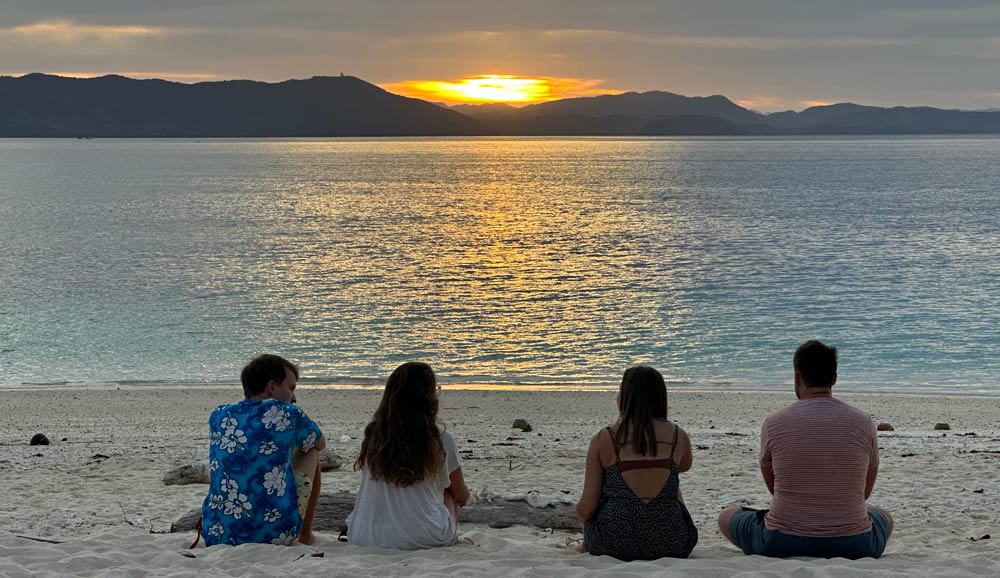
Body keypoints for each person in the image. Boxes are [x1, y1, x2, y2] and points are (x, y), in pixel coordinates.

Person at [717, 340, 894, 559]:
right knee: (883, 516)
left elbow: (774, 488)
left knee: (727, 516)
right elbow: (864, 493)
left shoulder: (774, 422)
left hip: (781, 540)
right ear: (834, 378)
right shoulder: (864, 422)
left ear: (797, 378)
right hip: (855, 542)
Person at [201, 354, 326, 546]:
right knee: (310, 449)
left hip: (217, 533)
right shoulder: (288, 412)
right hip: (276, 532)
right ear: (272, 387)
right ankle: (306, 535)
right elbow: (320, 442)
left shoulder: (219, 414)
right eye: (291, 388)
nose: (294, 398)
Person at [576, 365, 698, 561]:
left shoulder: (604, 438)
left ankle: (583, 546)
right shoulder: (678, 436)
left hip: (613, 542)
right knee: (671, 480)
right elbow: (685, 466)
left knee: (599, 500)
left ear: (625, 397)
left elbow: (587, 508)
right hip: (673, 541)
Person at [346, 362, 470, 549]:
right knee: (448, 492)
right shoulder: (441, 438)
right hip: (424, 537)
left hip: (366, 536)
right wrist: (463, 496)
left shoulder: (375, 436)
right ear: (429, 398)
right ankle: (452, 538)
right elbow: (460, 494)